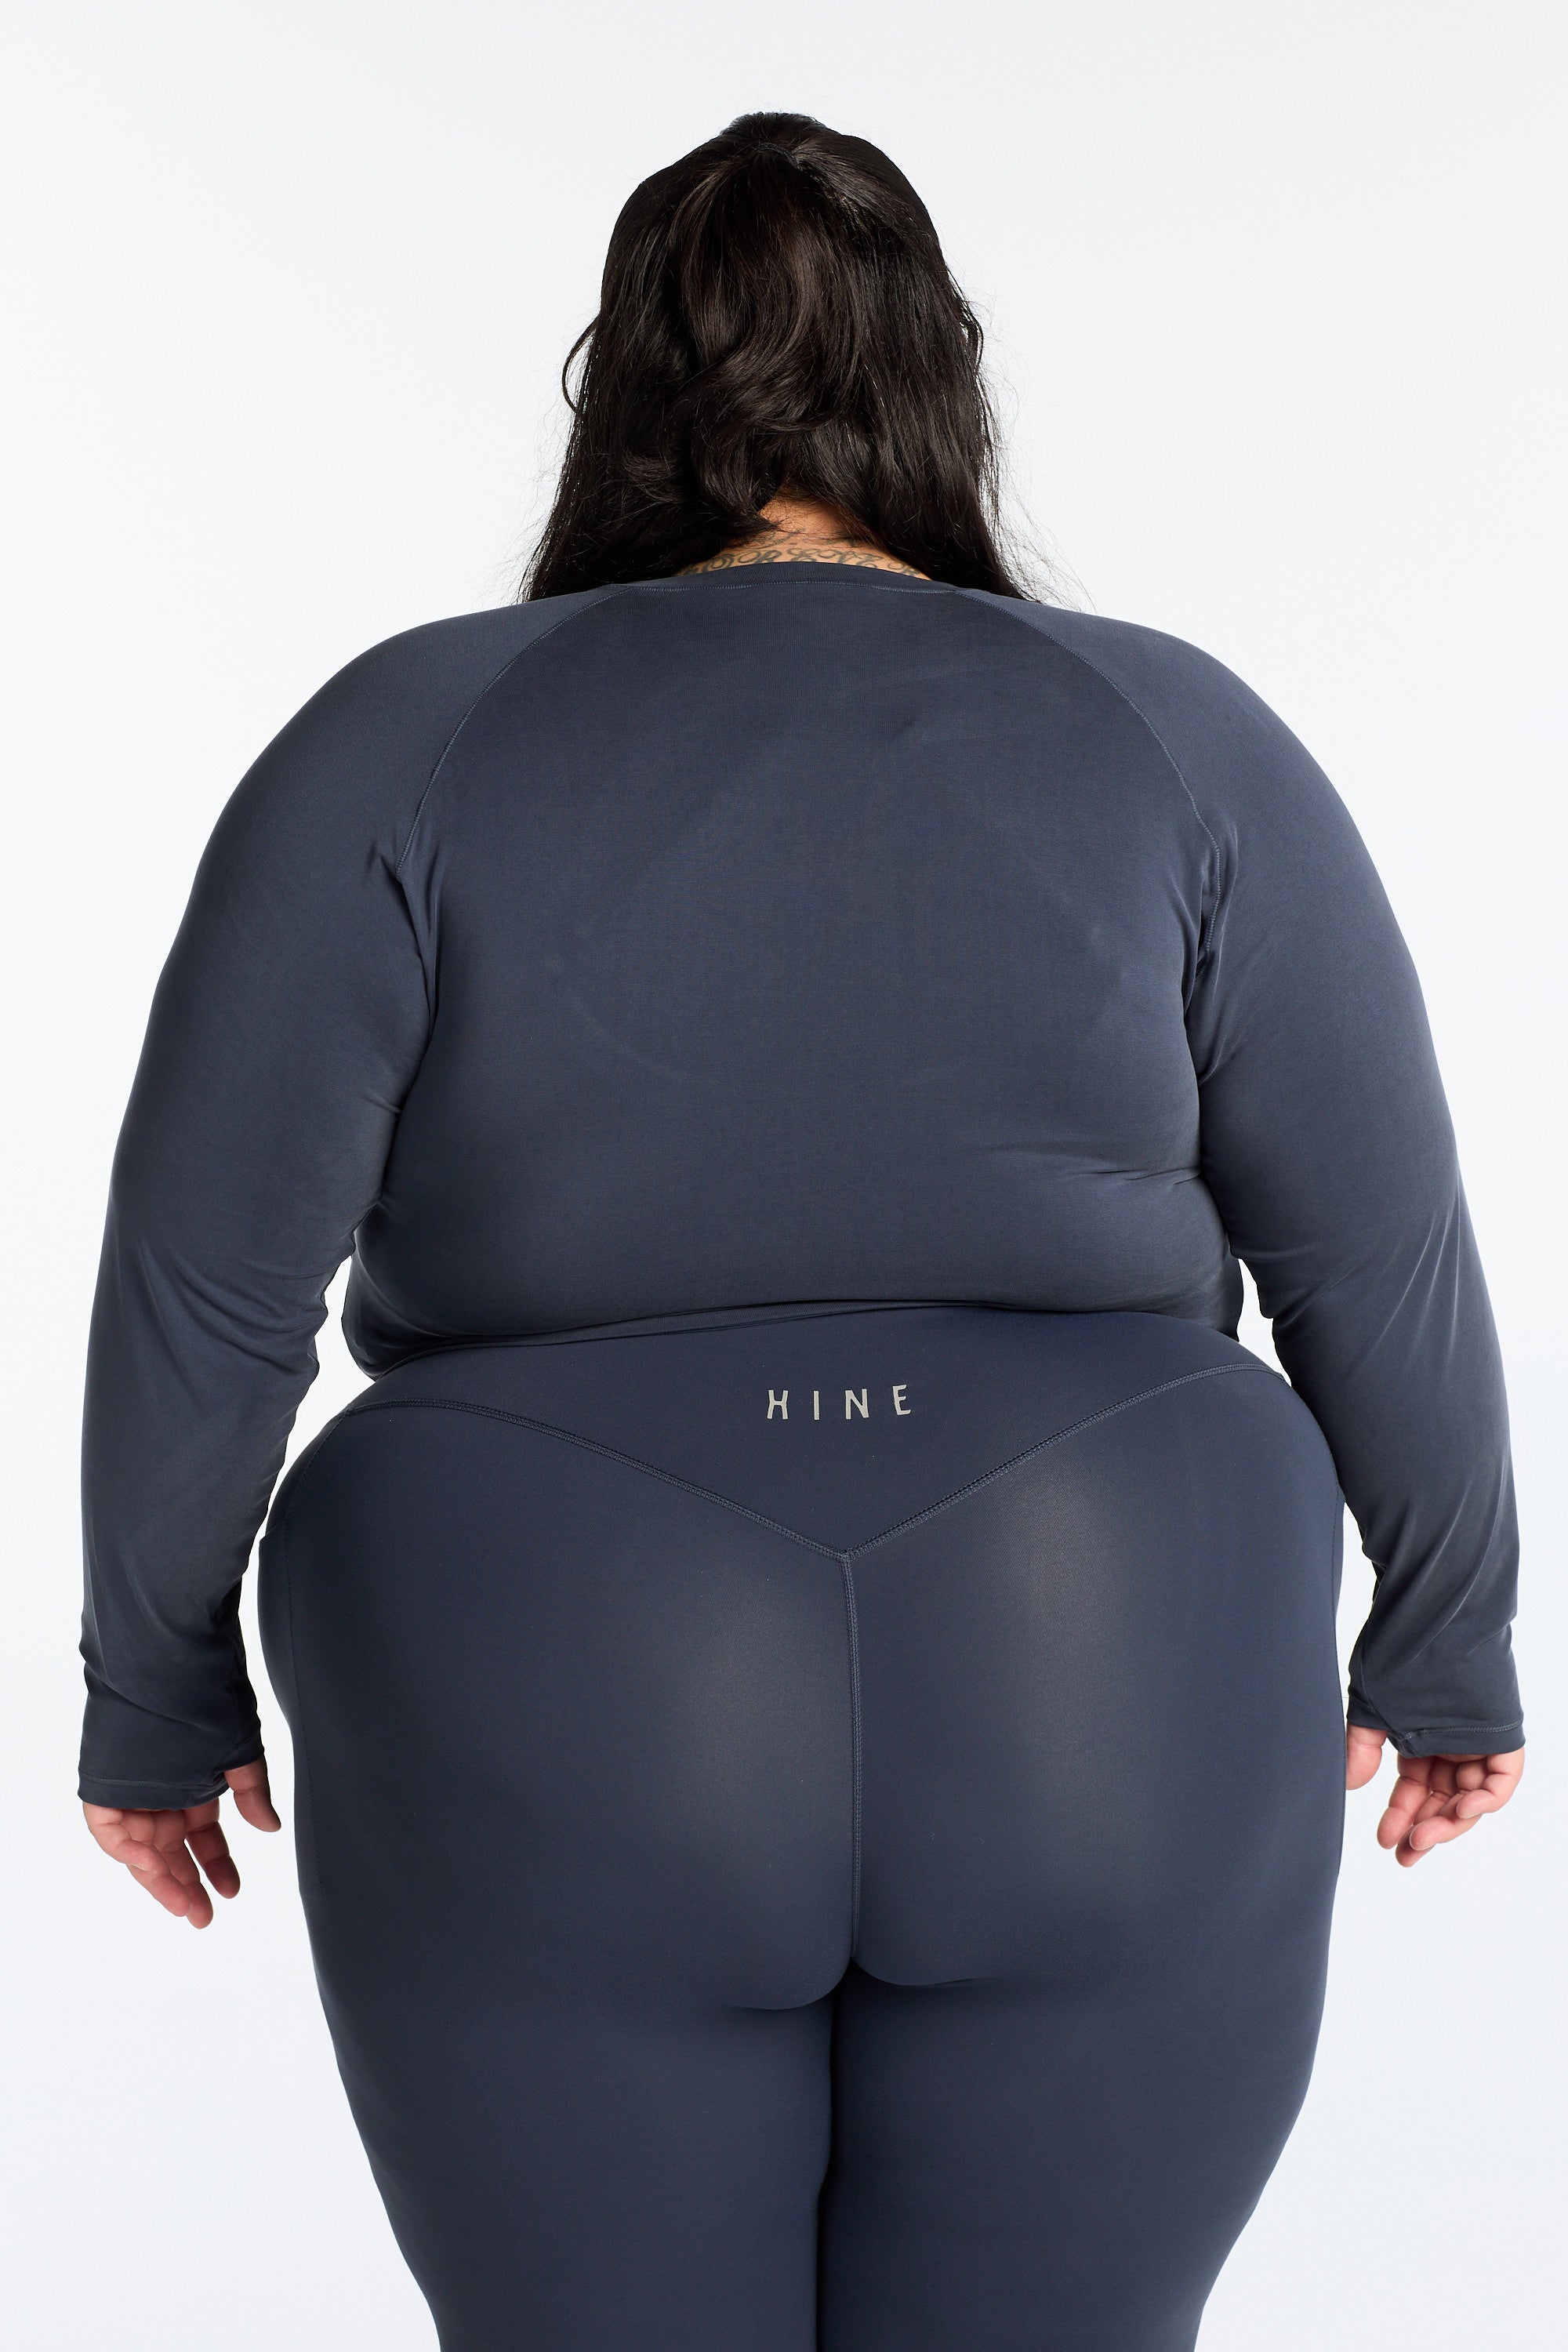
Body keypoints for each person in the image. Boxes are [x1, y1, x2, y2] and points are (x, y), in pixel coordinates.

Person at [78, 111, 1524, 2352]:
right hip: (1110, 1641)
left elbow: (206, 1280)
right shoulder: (1178, 733)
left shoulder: (401, 741)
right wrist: (1448, 1642)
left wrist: (154, 1689)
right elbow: (1382, 1253)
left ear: (623, 390)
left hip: (548, 1658)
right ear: (945, 378)